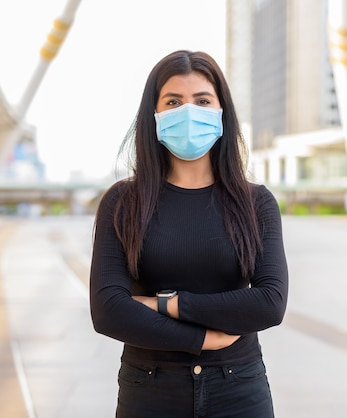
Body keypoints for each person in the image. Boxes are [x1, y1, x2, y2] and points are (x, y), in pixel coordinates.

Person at [89, 50, 289, 418]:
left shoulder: (256, 203)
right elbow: (108, 311)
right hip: (149, 388)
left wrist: (163, 303)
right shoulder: (122, 202)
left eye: (202, 101)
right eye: (173, 101)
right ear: (154, 115)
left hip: (239, 388)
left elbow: (269, 302)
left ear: (221, 113)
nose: (188, 112)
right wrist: (202, 339)